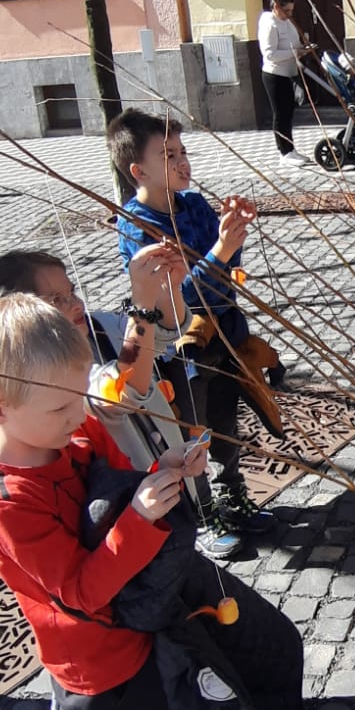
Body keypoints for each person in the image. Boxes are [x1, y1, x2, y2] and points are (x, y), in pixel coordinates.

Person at [0, 296, 308, 710]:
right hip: (99, 665)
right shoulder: (6, 502)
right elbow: (80, 590)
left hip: (141, 626)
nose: (79, 413)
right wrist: (141, 520)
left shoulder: (66, 435)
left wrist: (165, 470)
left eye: (78, 396)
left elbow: (118, 481)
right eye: (60, 406)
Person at [0, 248, 240, 563]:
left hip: (160, 472)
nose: (76, 303)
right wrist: (142, 305)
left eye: (71, 291)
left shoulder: (98, 325)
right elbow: (122, 390)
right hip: (126, 508)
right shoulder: (42, 379)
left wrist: (167, 288)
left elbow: (167, 329)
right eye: (56, 299)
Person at [107, 109, 278, 540]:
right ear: (138, 170)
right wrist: (221, 251)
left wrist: (231, 237)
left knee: (226, 425)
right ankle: (205, 514)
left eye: (183, 151)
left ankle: (234, 494)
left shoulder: (195, 205)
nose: (183, 162)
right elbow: (179, 300)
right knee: (192, 432)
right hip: (181, 350)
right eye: (168, 155)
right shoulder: (137, 225)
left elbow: (225, 277)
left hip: (222, 337)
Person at [258, 0, 310, 170]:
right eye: (286, 10)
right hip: (275, 75)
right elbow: (270, 54)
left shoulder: (286, 21)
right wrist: (296, 52)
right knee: (280, 114)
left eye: (291, 10)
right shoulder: (269, 24)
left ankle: (291, 149)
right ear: (276, 7)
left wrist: (303, 46)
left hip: (289, 73)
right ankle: (284, 153)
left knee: (288, 113)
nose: (289, 14)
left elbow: (291, 44)